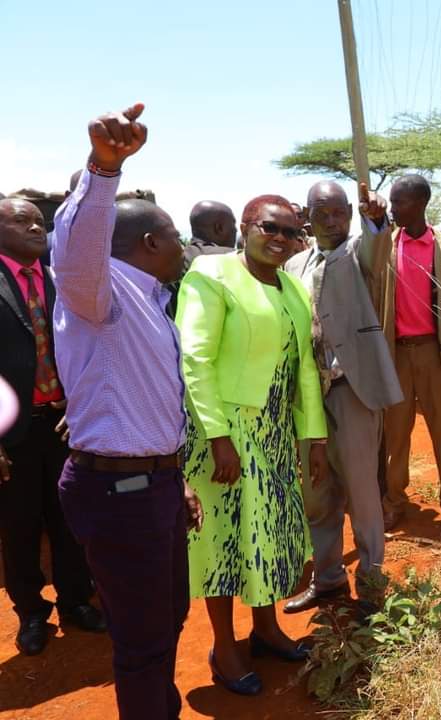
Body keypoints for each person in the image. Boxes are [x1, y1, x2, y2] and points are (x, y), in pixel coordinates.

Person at [52, 103, 202, 720]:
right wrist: (103, 170)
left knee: (168, 618)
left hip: (153, 484)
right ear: (148, 243)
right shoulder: (99, 291)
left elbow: (149, 404)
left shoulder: (152, 298)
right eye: (173, 237)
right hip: (118, 493)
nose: (182, 246)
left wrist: (176, 478)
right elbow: (77, 247)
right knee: (142, 642)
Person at [176, 194, 328, 696]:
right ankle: (224, 646)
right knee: (223, 539)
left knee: (269, 536)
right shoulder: (212, 276)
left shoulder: (291, 287)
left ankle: (264, 629)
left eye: (290, 232)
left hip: (277, 434)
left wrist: (315, 438)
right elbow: (195, 359)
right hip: (225, 432)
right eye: (270, 228)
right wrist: (217, 436)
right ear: (245, 226)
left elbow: (304, 365)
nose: (281, 239)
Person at [282, 180, 403, 617]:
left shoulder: (358, 254)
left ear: (351, 213)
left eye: (341, 212)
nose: (333, 221)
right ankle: (328, 579)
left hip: (352, 389)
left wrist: (376, 220)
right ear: (306, 217)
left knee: (362, 493)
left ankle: (371, 585)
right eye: (323, 213)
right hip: (308, 396)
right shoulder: (293, 264)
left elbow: (377, 247)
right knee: (317, 494)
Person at [0, 198, 103, 657]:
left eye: (39, 221)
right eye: (21, 221)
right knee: (20, 525)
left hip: (66, 423)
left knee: (70, 518)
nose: (35, 227)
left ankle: (76, 600)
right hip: (12, 430)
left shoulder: (62, 279)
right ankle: (31, 613)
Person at [363, 174, 441, 533]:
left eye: (400, 202)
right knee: (396, 434)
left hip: (433, 354)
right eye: (392, 202)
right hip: (397, 356)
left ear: (421, 204)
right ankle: (394, 500)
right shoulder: (387, 246)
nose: (394, 208)